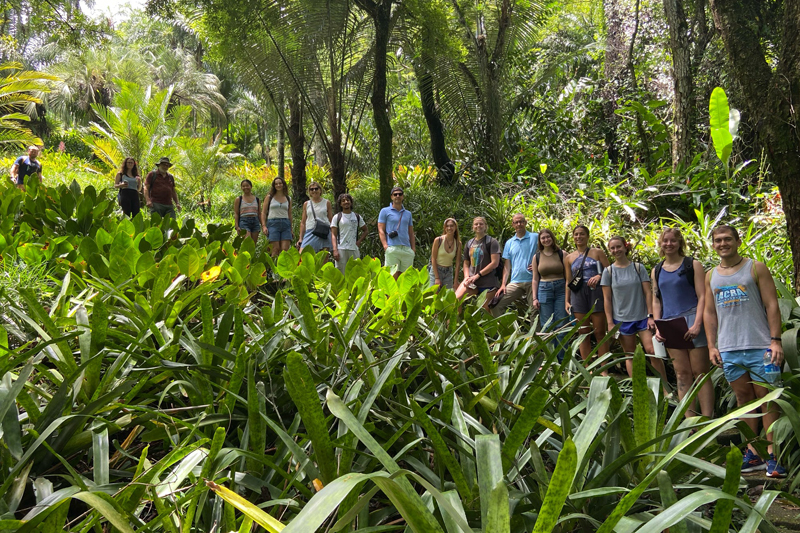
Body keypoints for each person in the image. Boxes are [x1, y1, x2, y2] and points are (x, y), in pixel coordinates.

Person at [704, 225, 786, 477]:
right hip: (730, 349)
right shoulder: (711, 276)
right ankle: (754, 453)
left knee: (768, 401)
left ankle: (773, 456)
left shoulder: (755, 267)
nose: (722, 244)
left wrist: (776, 340)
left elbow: (772, 304)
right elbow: (709, 312)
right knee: (744, 401)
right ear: (713, 245)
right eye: (718, 240)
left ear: (738, 241)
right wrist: (711, 345)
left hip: (761, 346)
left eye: (727, 239)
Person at [652, 228, 713, 419]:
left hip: (693, 320)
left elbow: (703, 295)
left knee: (700, 372)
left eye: (673, 241)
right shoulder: (657, 270)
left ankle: (707, 418)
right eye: (665, 241)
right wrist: (658, 326)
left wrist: (697, 324)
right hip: (670, 325)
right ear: (661, 244)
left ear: (680, 244)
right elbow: (656, 300)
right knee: (682, 373)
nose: (669, 244)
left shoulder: (692, 265)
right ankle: (689, 420)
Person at [601, 236, 669, 386]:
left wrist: (650, 316)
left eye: (618, 246)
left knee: (652, 351)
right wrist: (610, 322)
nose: (616, 250)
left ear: (625, 247)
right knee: (630, 355)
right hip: (622, 320)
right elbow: (607, 299)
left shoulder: (638, 268)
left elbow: (648, 292)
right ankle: (638, 390)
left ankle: (665, 388)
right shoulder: (608, 272)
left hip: (642, 317)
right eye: (612, 248)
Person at [565, 225, 611, 365]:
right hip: (578, 295)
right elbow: (568, 280)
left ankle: (603, 367)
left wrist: (599, 276)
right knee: (583, 333)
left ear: (587, 236)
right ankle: (587, 367)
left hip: (596, 293)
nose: (579, 237)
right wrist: (567, 300)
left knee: (599, 332)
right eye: (576, 234)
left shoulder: (597, 252)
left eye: (582, 234)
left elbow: (610, 271)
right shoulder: (569, 258)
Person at [531, 228, 569, 361]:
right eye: (543, 238)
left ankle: (562, 360)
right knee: (547, 325)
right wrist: (534, 298)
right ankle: (550, 361)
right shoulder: (537, 257)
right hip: (544, 289)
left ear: (552, 238)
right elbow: (535, 279)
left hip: (561, 289)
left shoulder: (562, 254)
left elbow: (568, 276)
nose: (546, 240)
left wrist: (568, 296)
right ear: (540, 241)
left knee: (561, 324)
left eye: (548, 237)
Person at [491, 214, 538, 317]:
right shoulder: (509, 243)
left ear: (525, 223)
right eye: (516, 222)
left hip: (532, 280)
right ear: (513, 225)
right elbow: (507, 266)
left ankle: (535, 333)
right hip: (515, 282)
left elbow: (548, 251)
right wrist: (503, 284)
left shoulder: (535, 237)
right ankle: (505, 332)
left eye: (521, 221)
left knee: (535, 309)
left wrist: (538, 264)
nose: (519, 224)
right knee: (496, 305)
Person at [455, 217, 501, 309]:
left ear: (485, 227)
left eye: (481, 224)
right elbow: (466, 263)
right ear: (473, 227)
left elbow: (495, 263)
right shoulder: (469, 243)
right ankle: (454, 323)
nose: (478, 226)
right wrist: (466, 277)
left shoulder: (492, 242)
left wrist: (478, 275)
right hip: (472, 282)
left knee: (486, 311)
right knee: (456, 300)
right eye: (476, 224)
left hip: (488, 282)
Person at [378, 186, 416, 279]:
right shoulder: (385, 211)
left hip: (406, 249)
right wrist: (385, 246)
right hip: (392, 247)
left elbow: (411, 232)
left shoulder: (408, 213)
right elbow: (380, 229)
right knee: (392, 277)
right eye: (395, 194)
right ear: (391, 197)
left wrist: (413, 249)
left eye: (400, 194)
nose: (397, 196)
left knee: (405, 278)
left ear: (403, 196)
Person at [331, 193, 367, 275]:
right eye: (343, 201)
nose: (346, 202)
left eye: (348, 200)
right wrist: (335, 250)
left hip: (354, 249)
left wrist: (359, 241)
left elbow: (365, 230)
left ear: (351, 202)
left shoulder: (357, 217)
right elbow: (333, 234)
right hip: (341, 249)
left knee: (355, 273)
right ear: (340, 204)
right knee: (341, 273)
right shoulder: (337, 217)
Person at [261, 177, 293, 259]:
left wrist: (291, 229)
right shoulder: (269, 197)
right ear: (274, 186)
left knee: (284, 250)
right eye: (276, 184)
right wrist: (264, 226)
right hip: (273, 223)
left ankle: (282, 270)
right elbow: (263, 212)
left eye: (280, 183)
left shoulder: (288, 198)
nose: (278, 185)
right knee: (275, 250)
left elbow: (289, 214)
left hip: (286, 224)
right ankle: (273, 271)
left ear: (283, 184)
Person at [297, 182, 333, 253]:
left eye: (316, 188)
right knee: (302, 254)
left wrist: (334, 235)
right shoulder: (307, 204)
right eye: (311, 189)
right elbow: (303, 222)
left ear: (320, 190)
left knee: (323, 257)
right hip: (310, 231)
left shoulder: (327, 202)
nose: (314, 191)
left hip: (324, 232)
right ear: (309, 192)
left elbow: (331, 220)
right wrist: (300, 238)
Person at [429, 218, 461, 290]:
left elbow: (458, 262)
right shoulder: (438, 240)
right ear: (445, 228)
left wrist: (455, 281)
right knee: (433, 295)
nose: (449, 228)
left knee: (447, 297)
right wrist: (437, 278)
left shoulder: (458, 243)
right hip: (436, 270)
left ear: (455, 227)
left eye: (452, 226)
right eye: (447, 226)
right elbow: (433, 258)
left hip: (448, 272)